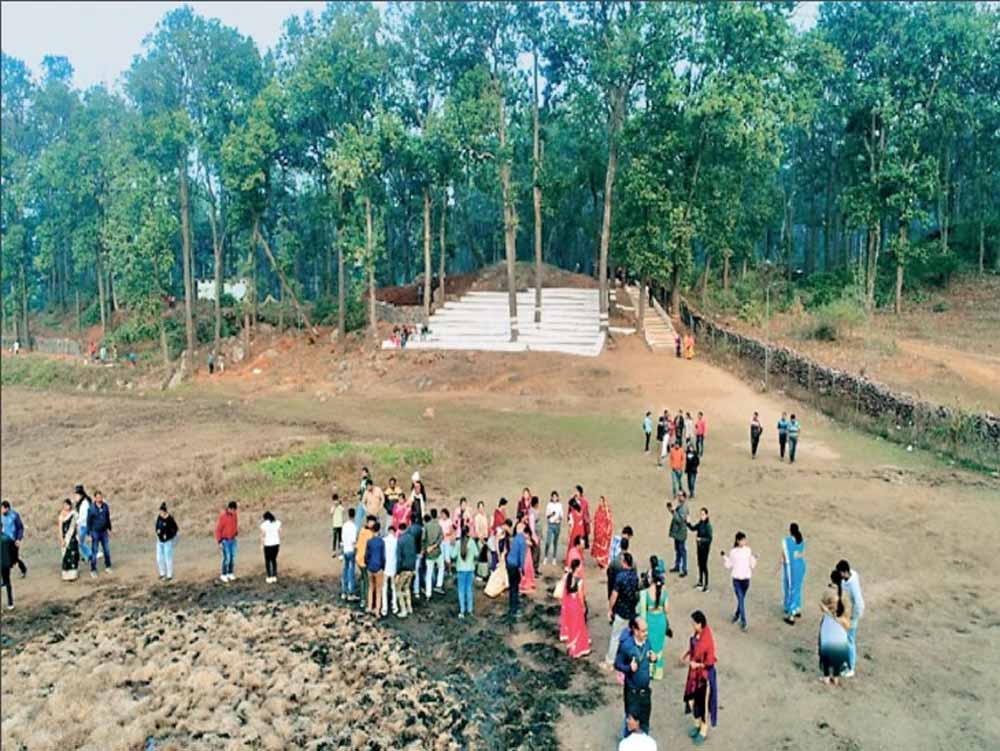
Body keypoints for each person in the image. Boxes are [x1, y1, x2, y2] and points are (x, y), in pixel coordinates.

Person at [682, 610, 718, 746]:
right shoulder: (698, 633)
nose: (692, 625)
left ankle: (703, 730)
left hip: (704, 677)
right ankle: (697, 724)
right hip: (694, 675)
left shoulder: (707, 640)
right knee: (692, 700)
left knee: (703, 704)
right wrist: (686, 654)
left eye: (693, 623)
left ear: (699, 624)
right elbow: (693, 646)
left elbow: (709, 663)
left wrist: (697, 665)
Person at [614, 617, 654, 736]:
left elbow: (649, 653)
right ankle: (627, 742)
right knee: (631, 723)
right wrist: (629, 668)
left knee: (645, 722)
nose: (646, 633)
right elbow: (617, 664)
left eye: (647, 630)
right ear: (635, 631)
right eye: (643, 631)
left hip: (645, 691)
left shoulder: (647, 642)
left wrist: (653, 658)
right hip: (632, 692)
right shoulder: (626, 646)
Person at [606, 552, 640, 667]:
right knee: (628, 636)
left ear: (624, 562)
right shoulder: (635, 577)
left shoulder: (620, 577)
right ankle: (626, 658)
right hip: (631, 610)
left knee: (615, 637)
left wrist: (610, 609)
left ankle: (610, 661)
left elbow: (614, 595)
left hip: (621, 610)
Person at [819, 569, 852, 685]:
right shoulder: (845, 594)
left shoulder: (828, 592)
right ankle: (836, 677)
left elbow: (822, 605)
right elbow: (848, 611)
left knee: (826, 649)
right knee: (838, 650)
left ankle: (826, 676)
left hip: (829, 623)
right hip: (841, 625)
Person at [638, 561, 670, 680]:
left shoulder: (645, 593)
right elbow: (667, 610)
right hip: (660, 620)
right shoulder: (664, 592)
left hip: (649, 620)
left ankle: (649, 671)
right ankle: (658, 672)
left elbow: (642, 610)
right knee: (659, 647)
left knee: (649, 646)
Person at [722, 532, 758, 631]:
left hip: (746, 579)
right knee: (741, 599)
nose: (744, 542)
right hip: (737, 579)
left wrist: (755, 558)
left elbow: (751, 564)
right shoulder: (733, 552)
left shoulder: (748, 550)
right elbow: (729, 564)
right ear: (738, 541)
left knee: (741, 599)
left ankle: (737, 614)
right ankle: (743, 620)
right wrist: (724, 557)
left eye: (744, 540)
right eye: (742, 540)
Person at [836, 559, 865, 678]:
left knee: (849, 640)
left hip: (851, 616)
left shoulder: (853, 586)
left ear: (845, 572)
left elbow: (858, 603)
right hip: (846, 614)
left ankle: (851, 667)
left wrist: (853, 616)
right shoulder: (851, 575)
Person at [562, 558, 591, 658]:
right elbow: (580, 595)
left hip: (569, 604)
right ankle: (578, 649)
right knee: (579, 625)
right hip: (576, 604)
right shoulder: (579, 580)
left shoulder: (567, 576)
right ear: (577, 567)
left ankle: (571, 646)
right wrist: (583, 607)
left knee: (572, 625)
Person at [781, 523, 807, 624]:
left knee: (791, 589)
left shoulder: (786, 541)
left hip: (791, 568)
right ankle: (796, 608)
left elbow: (785, 556)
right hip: (801, 566)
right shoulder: (801, 540)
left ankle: (791, 614)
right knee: (797, 588)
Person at [451, 527, 478, 618]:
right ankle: (470, 610)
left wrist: (452, 545)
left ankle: (462, 611)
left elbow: (452, 555)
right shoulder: (472, 542)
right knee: (469, 590)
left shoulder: (458, 543)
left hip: (461, 569)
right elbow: (477, 554)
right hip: (470, 569)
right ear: (468, 533)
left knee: (461, 590)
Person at [87, 491, 113, 577]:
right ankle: (93, 569)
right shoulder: (91, 509)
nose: (99, 499)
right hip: (95, 532)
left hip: (104, 531)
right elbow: (89, 521)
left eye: (100, 497)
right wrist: (89, 532)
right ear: (95, 498)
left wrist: (109, 528)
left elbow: (107, 518)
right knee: (94, 551)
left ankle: (108, 566)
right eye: (98, 497)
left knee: (106, 549)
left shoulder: (105, 506)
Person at [687, 508, 713, 592]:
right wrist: (688, 523)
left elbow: (709, 538)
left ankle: (706, 584)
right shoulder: (700, 523)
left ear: (706, 515)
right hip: (699, 547)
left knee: (704, 565)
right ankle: (700, 581)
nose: (701, 516)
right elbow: (693, 528)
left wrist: (701, 539)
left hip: (705, 548)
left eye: (703, 514)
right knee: (700, 564)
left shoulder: (708, 526)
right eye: (701, 514)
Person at [506, 520, 527, 618]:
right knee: (515, 587)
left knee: (512, 587)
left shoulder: (515, 539)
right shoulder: (522, 540)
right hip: (515, 565)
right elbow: (522, 556)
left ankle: (512, 605)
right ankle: (514, 609)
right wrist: (522, 569)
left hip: (509, 563)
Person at [0, 501, 27, 578]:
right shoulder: (1, 517)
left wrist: (18, 539)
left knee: (14, 559)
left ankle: (23, 569)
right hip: (4, 541)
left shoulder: (14, 516)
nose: (1, 510)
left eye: (2, 508)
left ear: (7, 508)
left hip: (13, 540)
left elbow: (20, 528)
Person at [215, 501, 239, 583]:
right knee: (227, 558)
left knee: (232, 557)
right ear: (230, 509)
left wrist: (235, 532)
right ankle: (223, 574)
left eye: (235, 510)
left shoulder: (235, 515)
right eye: (233, 510)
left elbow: (235, 524)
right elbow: (218, 530)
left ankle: (230, 573)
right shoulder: (223, 517)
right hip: (225, 540)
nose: (234, 512)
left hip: (233, 539)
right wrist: (219, 541)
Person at [395, 522, 416, 617]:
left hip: (404, 568)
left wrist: (397, 572)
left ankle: (403, 609)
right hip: (411, 567)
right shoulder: (412, 538)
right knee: (407, 588)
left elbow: (399, 558)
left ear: (399, 530)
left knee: (398, 589)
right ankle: (409, 607)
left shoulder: (400, 541)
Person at [365, 521, 386, 615]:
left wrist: (367, 564)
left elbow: (366, 555)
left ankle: (369, 607)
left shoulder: (369, 542)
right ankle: (377, 610)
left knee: (370, 588)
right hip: (378, 568)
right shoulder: (381, 542)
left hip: (370, 567)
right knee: (378, 590)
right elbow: (383, 557)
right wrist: (383, 567)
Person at [423, 508, 445, 598]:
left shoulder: (426, 526)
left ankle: (428, 593)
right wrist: (435, 545)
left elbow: (423, 539)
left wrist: (426, 548)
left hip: (429, 553)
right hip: (437, 552)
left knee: (429, 573)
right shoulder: (438, 526)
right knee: (441, 567)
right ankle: (438, 585)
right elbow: (441, 537)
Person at [155, 503, 179, 582]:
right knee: (159, 558)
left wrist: (169, 536)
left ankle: (169, 575)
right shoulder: (159, 517)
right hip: (159, 540)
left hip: (167, 541)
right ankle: (162, 573)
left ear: (165, 511)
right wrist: (157, 532)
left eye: (161, 511)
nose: (160, 513)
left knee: (168, 558)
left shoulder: (170, 519)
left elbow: (175, 529)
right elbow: (157, 526)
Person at [57, 499, 80, 582]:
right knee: (66, 555)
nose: (66, 507)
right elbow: (60, 529)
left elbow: (76, 526)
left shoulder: (74, 514)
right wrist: (61, 539)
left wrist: (78, 535)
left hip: (73, 538)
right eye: (64, 505)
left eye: (67, 505)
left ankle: (73, 574)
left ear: (70, 505)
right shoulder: (61, 516)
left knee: (74, 555)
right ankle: (66, 575)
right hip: (66, 537)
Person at [667, 494, 689, 577]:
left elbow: (679, 520)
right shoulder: (680, 506)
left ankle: (684, 569)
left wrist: (673, 512)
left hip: (680, 532)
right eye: (678, 495)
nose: (679, 497)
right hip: (678, 533)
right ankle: (677, 566)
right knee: (678, 550)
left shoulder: (684, 508)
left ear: (684, 497)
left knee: (682, 551)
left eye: (680, 496)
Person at [356, 515, 375, 609]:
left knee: (363, 579)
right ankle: (365, 599)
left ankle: (363, 598)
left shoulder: (362, 530)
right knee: (367, 581)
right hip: (364, 560)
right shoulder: (369, 534)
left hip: (359, 558)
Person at [591, 495, 614, 569]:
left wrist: (607, 532)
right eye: (599, 501)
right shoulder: (598, 510)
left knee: (603, 549)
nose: (600, 502)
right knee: (598, 548)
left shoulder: (607, 511)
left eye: (601, 501)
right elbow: (596, 519)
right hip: (598, 532)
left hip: (604, 533)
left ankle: (603, 562)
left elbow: (609, 522)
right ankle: (599, 562)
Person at [259, 511, 282, 584]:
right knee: (273, 559)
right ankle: (274, 576)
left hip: (268, 544)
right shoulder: (278, 522)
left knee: (267, 560)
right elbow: (280, 532)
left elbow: (263, 535)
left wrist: (261, 545)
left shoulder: (263, 525)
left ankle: (269, 576)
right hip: (276, 544)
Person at [341, 508, 359, 601]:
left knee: (345, 571)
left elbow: (342, 538)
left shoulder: (344, 525)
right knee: (351, 572)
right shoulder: (354, 527)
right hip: (351, 550)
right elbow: (354, 541)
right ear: (354, 515)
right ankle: (351, 593)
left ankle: (344, 592)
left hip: (345, 549)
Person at [74, 485, 93, 570]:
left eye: (76, 495)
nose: (75, 497)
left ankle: (90, 555)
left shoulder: (84, 503)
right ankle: (88, 556)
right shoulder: (82, 503)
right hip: (82, 525)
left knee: (80, 541)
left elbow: (84, 516)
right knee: (80, 541)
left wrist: (77, 522)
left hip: (85, 525)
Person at [382, 525, 399, 617]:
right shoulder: (396, 541)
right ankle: (394, 606)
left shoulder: (384, 540)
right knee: (393, 587)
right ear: (394, 532)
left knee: (384, 587)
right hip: (393, 567)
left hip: (385, 567)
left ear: (388, 531)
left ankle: (384, 608)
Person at [543, 491, 563, 566]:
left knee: (555, 542)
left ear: (557, 497)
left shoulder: (560, 505)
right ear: (551, 497)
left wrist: (558, 518)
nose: (554, 498)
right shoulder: (549, 505)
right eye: (553, 497)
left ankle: (554, 558)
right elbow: (547, 516)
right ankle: (545, 557)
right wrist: (551, 515)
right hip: (550, 524)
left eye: (555, 497)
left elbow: (561, 516)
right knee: (548, 541)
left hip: (557, 524)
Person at [565, 499, 585, 565]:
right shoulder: (581, 511)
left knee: (572, 548)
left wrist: (569, 536)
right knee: (580, 548)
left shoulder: (572, 514)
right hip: (581, 532)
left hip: (574, 533)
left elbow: (571, 526)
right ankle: (580, 562)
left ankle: (570, 563)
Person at [1, 532, 16, 608]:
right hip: (6, 565)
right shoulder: (7, 538)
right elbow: (13, 551)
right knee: (8, 583)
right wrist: (12, 562)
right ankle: (10, 603)